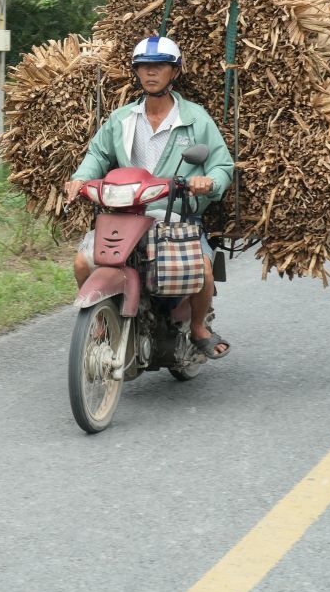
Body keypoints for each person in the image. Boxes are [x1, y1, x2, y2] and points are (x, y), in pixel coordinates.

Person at [64, 35, 235, 358]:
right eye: (144, 67)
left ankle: (198, 327)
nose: (151, 73)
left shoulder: (195, 119)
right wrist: (80, 179)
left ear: (174, 72)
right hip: (125, 215)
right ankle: (99, 323)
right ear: (136, 73)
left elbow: (222, 164)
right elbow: (97, 155)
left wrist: (208, 182)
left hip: (173, 216)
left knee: (202, 270)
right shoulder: (122, 119)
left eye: (159, 66)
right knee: (82, 262)